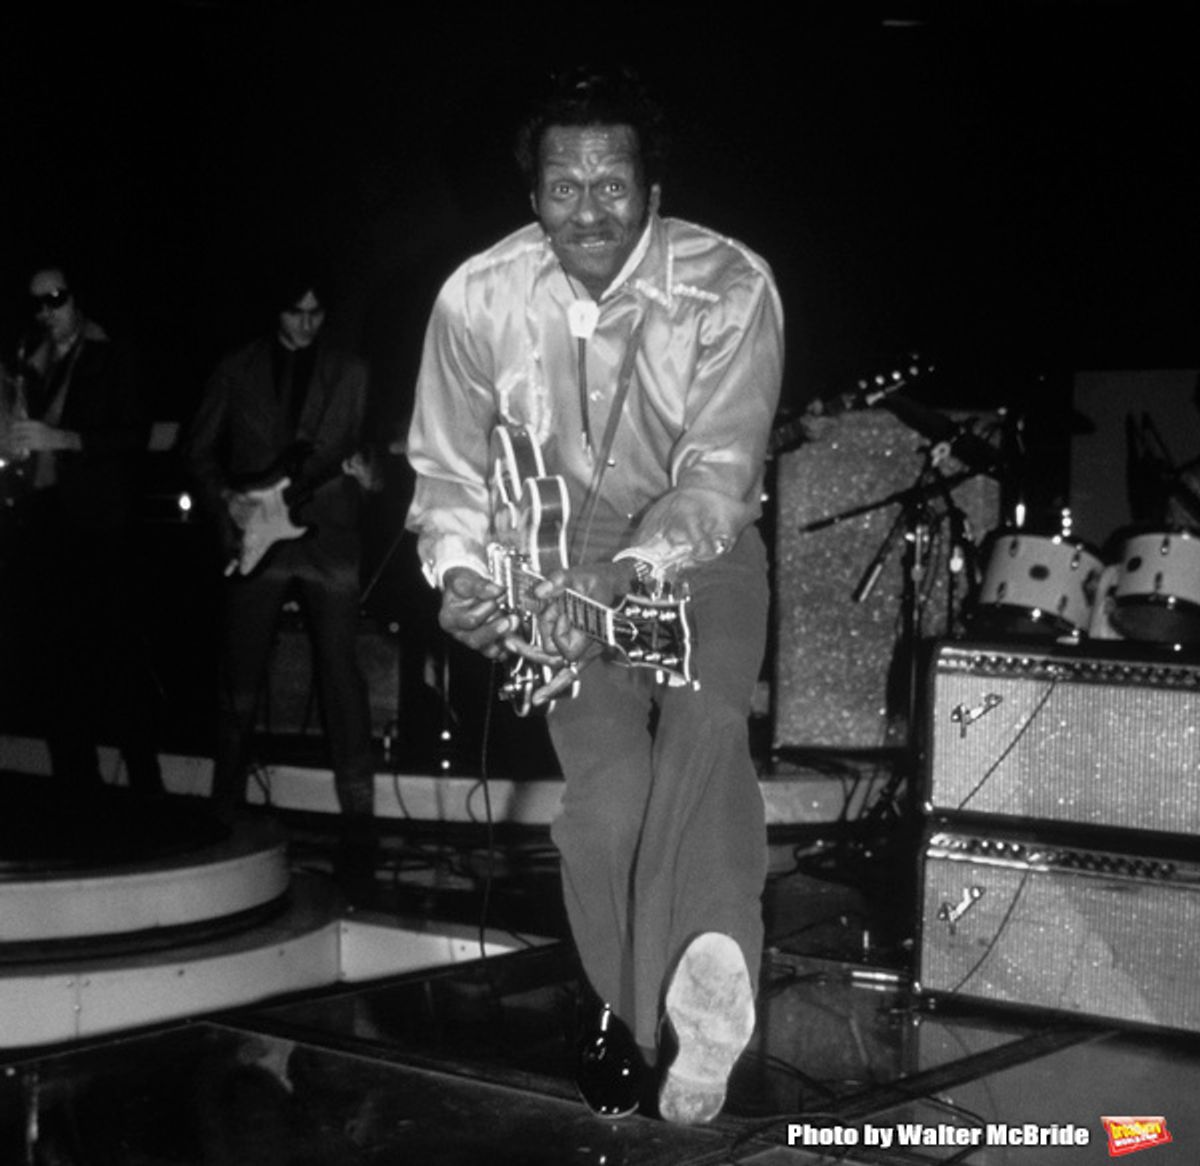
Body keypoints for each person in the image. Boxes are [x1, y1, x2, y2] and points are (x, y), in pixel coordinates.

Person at [404, 67, 783, 1124]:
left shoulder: (731, 283)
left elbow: (716, 477)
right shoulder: (476, 296)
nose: (589, 210)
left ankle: (694, 985)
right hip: (551, 556)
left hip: (699, 550)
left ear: (651, 186)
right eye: (563, 186)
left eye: (611, 183)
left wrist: (623, 572)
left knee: (705, 729)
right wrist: (466, 576)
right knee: (606, 800)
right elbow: (445, 473)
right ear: (532, 196)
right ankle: (640, 1000)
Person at [181, 264, 377, 878]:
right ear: (276, 311)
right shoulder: (236, 369)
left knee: (341, 676)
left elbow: (351, 447)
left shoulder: (352, 372)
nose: (307, 324)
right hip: (256, 539)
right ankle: (223, 808)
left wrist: (359, 475)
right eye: (296, 312)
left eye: (317, 313)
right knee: (238, 679)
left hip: (329, 540)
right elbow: (196, 450)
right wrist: (229, 501)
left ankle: (360, 823)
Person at [0, 264, 164, 798]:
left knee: (115, 655)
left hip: (100, 525)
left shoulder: (112, 355)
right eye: (38, 303)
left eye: (56, 298)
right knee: (52, 659)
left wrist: (65, 439)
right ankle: (76, 786)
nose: (47, 310)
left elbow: (135, 433)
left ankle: (146, 788)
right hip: (42, 521)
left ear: (78, 299)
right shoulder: (30, 361)